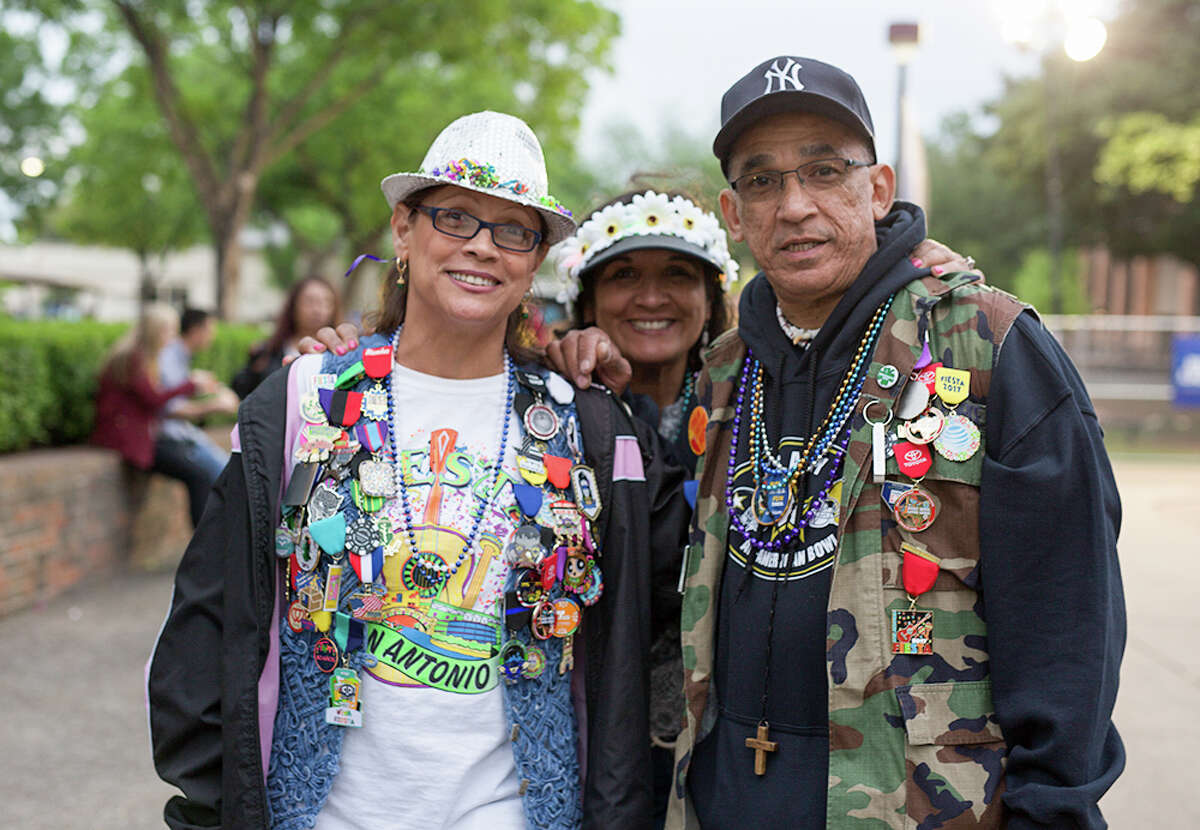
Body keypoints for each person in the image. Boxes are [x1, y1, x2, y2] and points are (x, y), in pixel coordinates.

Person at [148, 110, 690, 830]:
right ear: (405, 229)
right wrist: (207, 809)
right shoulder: (304, 400)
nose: (483, 248)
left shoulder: (579, 422)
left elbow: (639, 621)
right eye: (457, 218)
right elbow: (205, 624)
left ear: (533, 262)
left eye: (512, 230)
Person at [665, 57, 1124, 829]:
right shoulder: (722, 369)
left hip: (915, 806)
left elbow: (1068, 626)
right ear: (733, 212)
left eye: (824, 170)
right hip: (724, 800)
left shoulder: (987, 347)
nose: (796, 205)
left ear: (876, 190)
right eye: (763, 181)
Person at [91, 304, 221, 514]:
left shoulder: (141, 356)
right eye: (168, 330)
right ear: (154, 330)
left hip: (139, 438)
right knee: (199, 475)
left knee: (204, 472)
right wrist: (190, 384)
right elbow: (153, 400)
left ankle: (205, 541)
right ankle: (202, 543)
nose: (172, 337)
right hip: (125, 440)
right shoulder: (132, 358)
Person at [156, 307, 239, 527]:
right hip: (168, 438)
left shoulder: (180, 356)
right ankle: (206, 544)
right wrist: (215, 405)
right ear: (196, 330)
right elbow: (169, 407)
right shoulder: (170, 355)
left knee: (225, 469)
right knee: (212, 474)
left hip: (181, 434)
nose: (212, 336)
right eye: (210, 329)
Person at [232, 275, 341, 398]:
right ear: (294, 305)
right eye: (310, 301)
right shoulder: (268, 352)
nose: (317, 310)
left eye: (326, 302)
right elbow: (242, 391)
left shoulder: (340, 355)